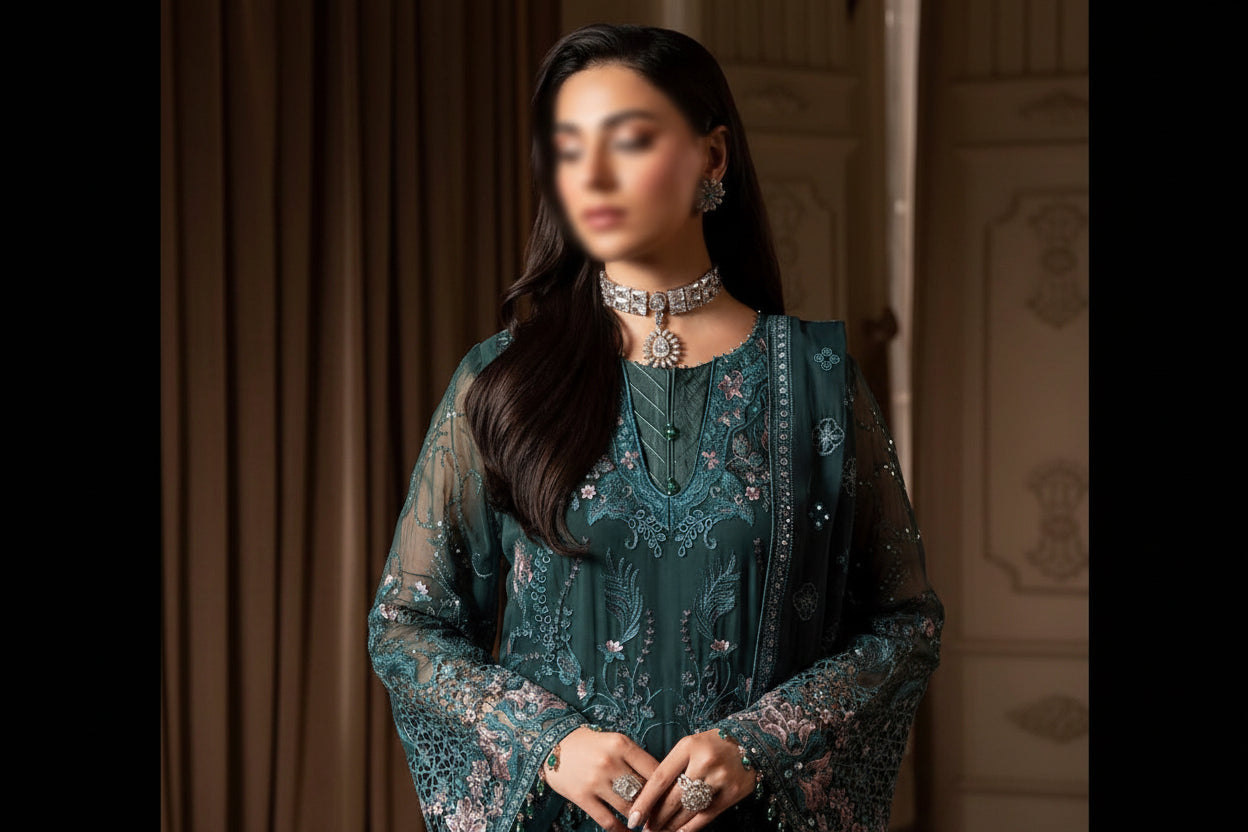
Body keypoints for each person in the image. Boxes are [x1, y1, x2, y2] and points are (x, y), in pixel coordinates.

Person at [367, 22, 943, 832]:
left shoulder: (815, 379)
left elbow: (904, 624)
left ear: (713, 158)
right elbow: (408, 625)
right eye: (568, 149)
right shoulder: (503, 381)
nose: (592, 175)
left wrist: (759, 745)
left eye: (629, 140)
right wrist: (550, 743)